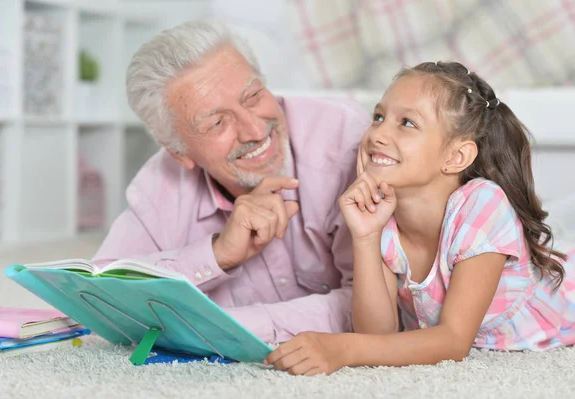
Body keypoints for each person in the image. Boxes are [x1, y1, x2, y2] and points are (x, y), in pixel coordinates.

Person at [265, 61, 575, 375]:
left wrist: (341, 347)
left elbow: (454, 341)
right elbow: (377, 337)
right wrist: (365, 236)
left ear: (456, 157)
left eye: (407, 123)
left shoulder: (482, 203)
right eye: (378, 117)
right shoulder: (383, 215)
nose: (378, 134)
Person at [92, 20, 372, 343]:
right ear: (180, 153)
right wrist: (216, 254)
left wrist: (224, 327)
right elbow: (100, 296)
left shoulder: (345, 141)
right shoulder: (160, 183)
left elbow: (380, 308)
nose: (254, 131)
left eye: (252, 96)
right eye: (218, 122)